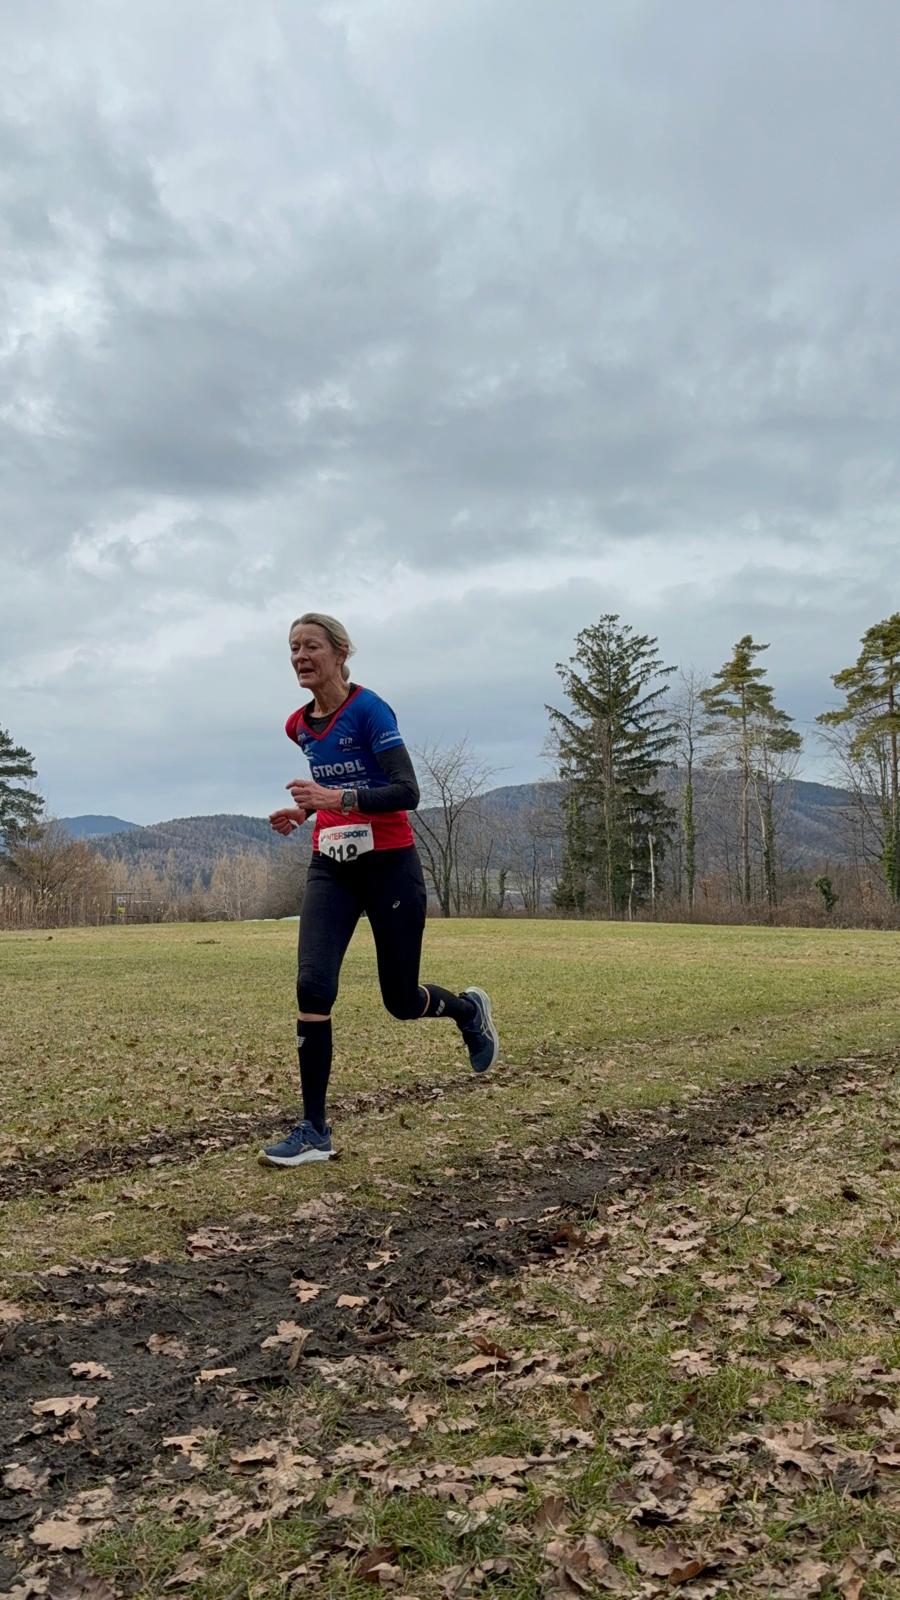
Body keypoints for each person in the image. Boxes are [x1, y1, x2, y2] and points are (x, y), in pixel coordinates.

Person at [259, 612, 499, 1167]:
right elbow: (333, 787)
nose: (300, 657)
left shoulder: (369, 710)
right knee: (312, 988)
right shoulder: (298, 725)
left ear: (341, 653)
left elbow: (405, 791)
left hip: (390, 866)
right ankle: (314, 1129)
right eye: (293, 648)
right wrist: (302, 812)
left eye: (311, 646)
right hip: (331, 866)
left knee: (400, 1000)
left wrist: (331, 801)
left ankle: (466, 1011)